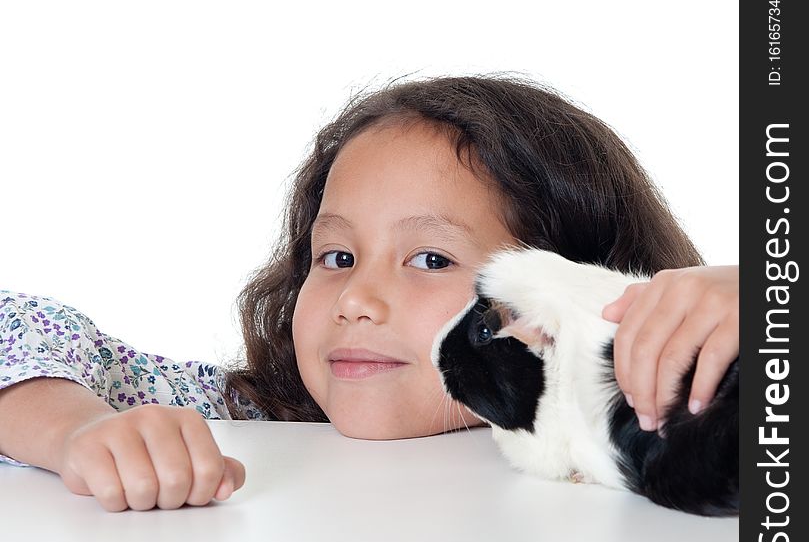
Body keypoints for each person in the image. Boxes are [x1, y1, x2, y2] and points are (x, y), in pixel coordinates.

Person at [0, 75, 739, 512]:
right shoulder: (252, 416)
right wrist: (76, 431)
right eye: (337, 255)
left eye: (427, 257)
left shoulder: (655, 430)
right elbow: (17, 329)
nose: (356, 298)